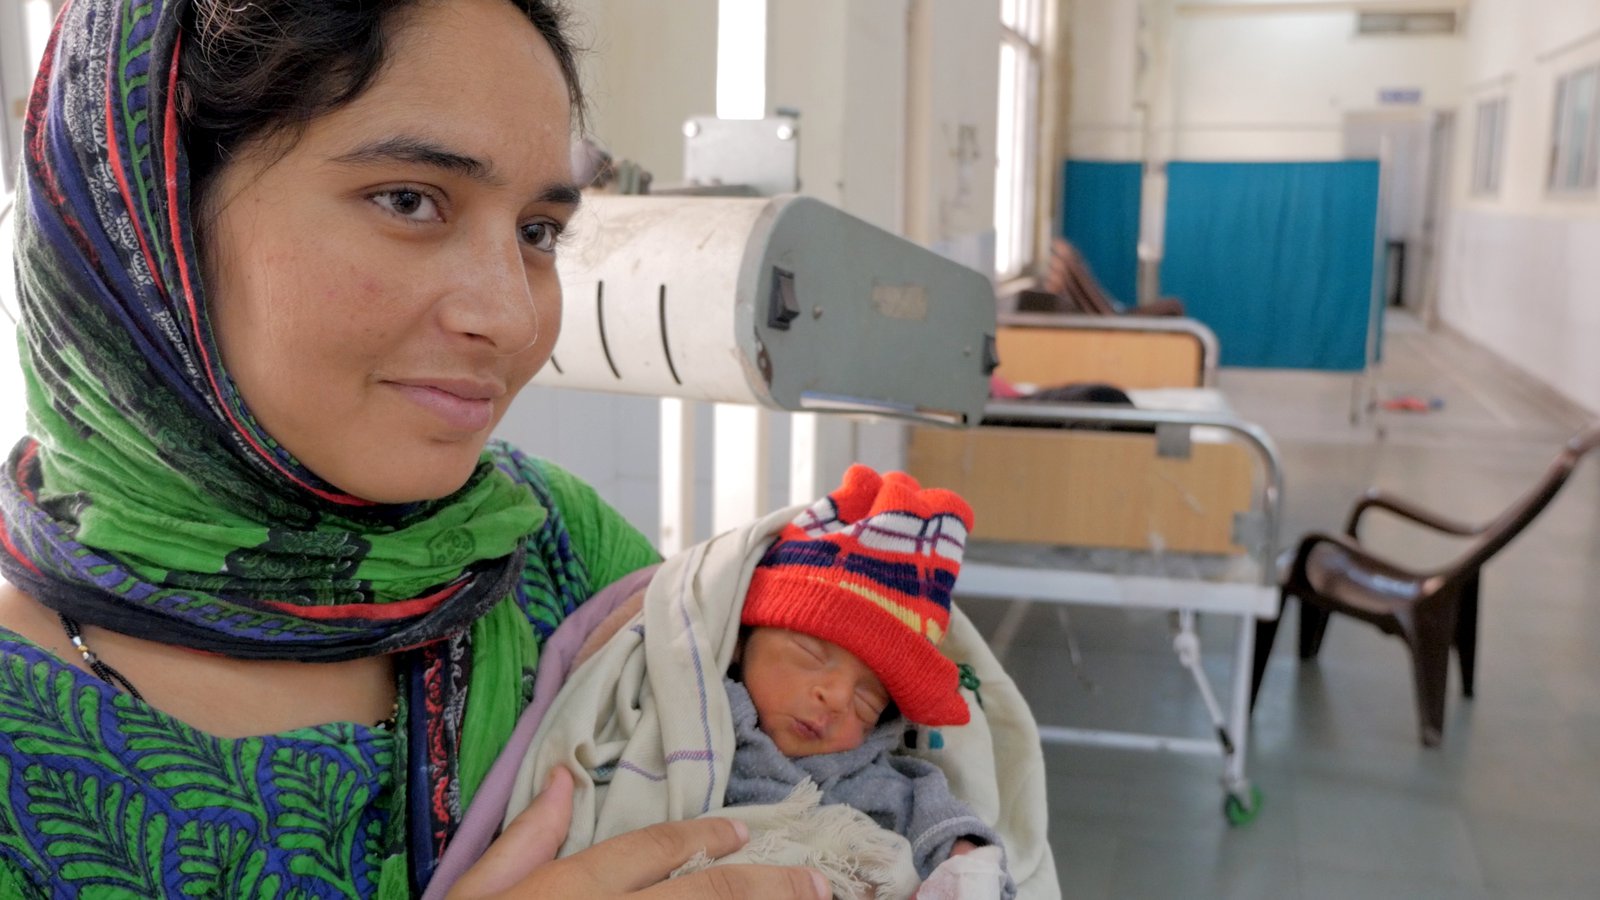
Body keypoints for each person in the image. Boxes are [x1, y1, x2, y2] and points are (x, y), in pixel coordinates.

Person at [0, 0, 828, 897]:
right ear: (148, 217)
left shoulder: (551, 549)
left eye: (537, 231)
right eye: (409, 200)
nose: (512, 319)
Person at [723, 464, 1017, 897]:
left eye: (867, 701)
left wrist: (966, 860)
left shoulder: (861, 775)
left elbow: (931, 814)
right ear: (740, 639)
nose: (838, 698)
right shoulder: (690, 703)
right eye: (809, 654)